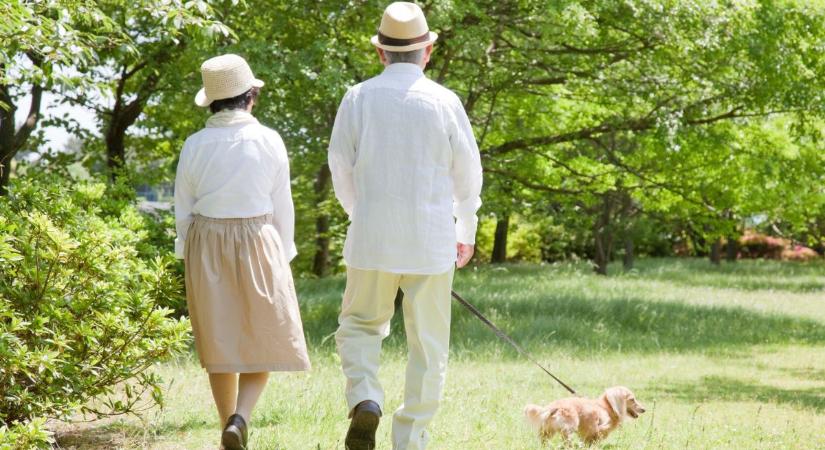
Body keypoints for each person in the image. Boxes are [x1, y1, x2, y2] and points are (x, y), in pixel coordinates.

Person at [328, 3, 483, 449]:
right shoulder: (446, 102)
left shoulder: (357, 98)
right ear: (427, 51)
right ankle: (411, 439)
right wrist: (465, 229)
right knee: (429, 345)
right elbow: (467, 174)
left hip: (372, 235)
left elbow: (340, 165)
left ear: (381, 53)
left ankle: (365, 399)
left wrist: (362, 213)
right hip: (432, 239)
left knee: (359, 325)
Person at [174, 54, 311, 450]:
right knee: (264, 335)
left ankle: (226, 429)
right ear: (251, 96)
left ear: (212, 101)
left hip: (206, 242)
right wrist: (284, 253)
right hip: (259, 237)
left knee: (220, 342)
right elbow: (282, 204)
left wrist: (188, 255)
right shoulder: (269, 139)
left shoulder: (194, 144)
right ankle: (241, 417)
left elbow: (183, 208)